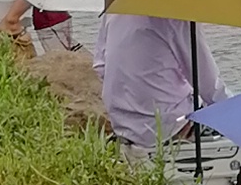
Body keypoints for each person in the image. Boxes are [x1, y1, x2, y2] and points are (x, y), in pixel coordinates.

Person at [94, 11, 228, 155]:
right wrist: (238, 111)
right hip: (168, 126)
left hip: (122, 123)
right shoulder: (176, 15)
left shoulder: (115, 10)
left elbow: (100, 66)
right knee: (224, 119)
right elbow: (209, 86)